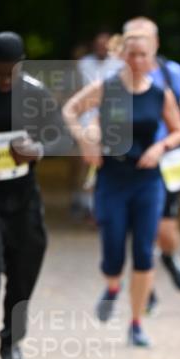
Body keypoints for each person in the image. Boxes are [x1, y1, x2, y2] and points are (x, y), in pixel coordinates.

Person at [63, 32, 180, 347]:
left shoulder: (160, 94)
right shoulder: (107, 89)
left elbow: (179, 131)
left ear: (151, 59)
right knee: (114, 249)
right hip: (111, 178)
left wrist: (160, 148)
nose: (137, 60)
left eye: (143, 55)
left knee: (144, 252)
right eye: (131, 54)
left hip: (147, 181)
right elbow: (70, 111)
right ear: (122, 57)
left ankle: (136, 323)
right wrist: (85, 139)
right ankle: (113, 286)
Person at [0, 32, 72, 359]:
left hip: (22, 194)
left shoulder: (35, 94)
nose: (5, 80)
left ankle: (12, 342)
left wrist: (39, 150)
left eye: (12, 73)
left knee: (25, 266)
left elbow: (62, 135)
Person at [122, 17, 180, 303]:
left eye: (144, 40)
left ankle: (169, 256)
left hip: (169, 159)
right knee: (138, 224)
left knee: (165, 228)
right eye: (132, 41)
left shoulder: (171, 72)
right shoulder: (116, 79)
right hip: (132, 162)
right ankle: (144, 285)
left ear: (155, 43)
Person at [71, 31, 124, 219]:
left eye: (105, 45)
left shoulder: (119, 63)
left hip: (111, 119)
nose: (102, 48)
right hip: (86, 118)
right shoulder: (84, 63)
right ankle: (84, 202)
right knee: (85, 162)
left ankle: (100, 206)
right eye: (98, 45)